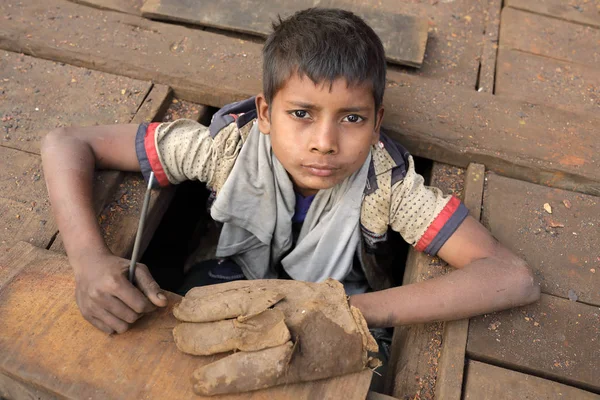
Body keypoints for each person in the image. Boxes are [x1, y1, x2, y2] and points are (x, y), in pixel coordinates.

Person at [41, 8, 540, 336]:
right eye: (301, 114)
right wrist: (88, 260)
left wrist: (346, 313)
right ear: (263, 113)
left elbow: (511, 277)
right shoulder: (226, 150)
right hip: (229, 277)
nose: (325, 142)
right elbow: (66, 143)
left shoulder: (384, 186)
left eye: (352, 118)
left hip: (340, 303)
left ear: (376, 124)